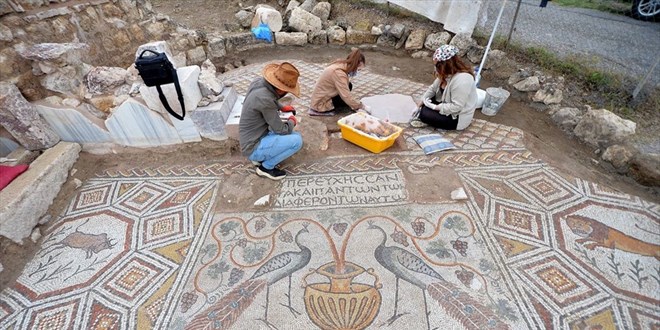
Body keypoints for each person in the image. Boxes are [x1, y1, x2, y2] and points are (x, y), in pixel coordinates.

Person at [239, 62, 303, 181]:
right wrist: (292, 121)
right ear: (280, 89)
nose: (287, 93)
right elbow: (281, 130)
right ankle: (266, 167)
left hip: (251, 138)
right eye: (286, 91)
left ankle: (259, 158)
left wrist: (281, 107)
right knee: (296, 140)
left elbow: (270, 99)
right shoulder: (265, 99)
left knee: (293, 135)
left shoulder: (258, 83)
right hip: (253, 146)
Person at [412, 45, 478, 130]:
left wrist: (435, 107)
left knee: (424, 113)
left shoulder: (463, 80)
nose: (435, 69)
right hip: (445, 104)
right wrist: (418, 105)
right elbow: (432, 89)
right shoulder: (445, 74)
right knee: (425, 104)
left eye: (436, 66)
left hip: (457, 117)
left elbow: (457, 107)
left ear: (444, 65)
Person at [309, 49, 369, 116]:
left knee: (349, 85)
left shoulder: (341, 64)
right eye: (358, 69)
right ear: (355, 65)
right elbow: (346, 95)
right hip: (319, 103)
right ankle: (319, 110)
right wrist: (360, 106)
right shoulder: (338, 73)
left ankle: (349, 104)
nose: (357, 72)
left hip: (322, 96)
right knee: (346, 95)